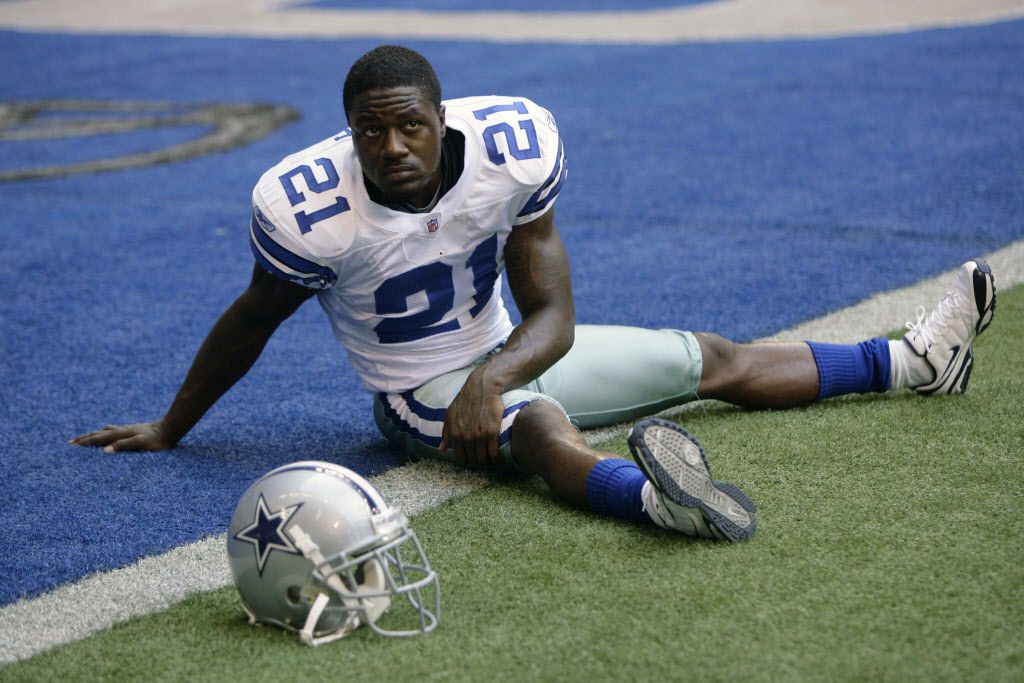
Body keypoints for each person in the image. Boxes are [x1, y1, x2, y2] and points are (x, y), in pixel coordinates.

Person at [71, 46, 997, 543]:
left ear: (442, 120)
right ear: (347, 136)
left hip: (504, 348)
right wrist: (171, 424)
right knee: (542, 422)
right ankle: (652, 501)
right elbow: (251, 320)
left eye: (410, 127)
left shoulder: (515, 145)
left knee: (708, 355)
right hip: (413, 393)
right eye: (370, 134)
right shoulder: (306, 206)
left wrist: (496, 370)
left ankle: (915, 363)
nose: (392, 148)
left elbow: (554, 315)